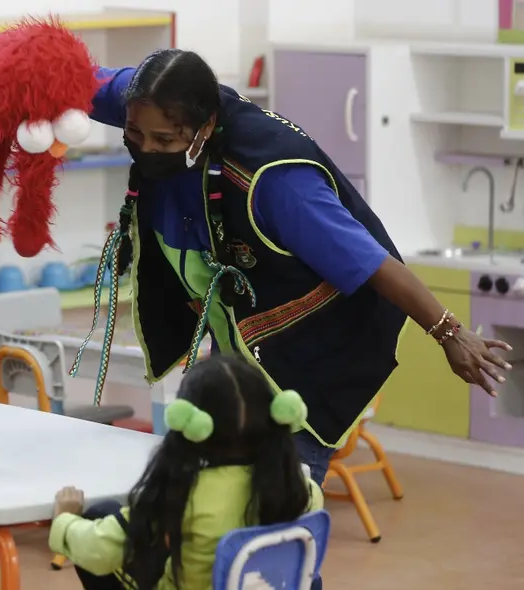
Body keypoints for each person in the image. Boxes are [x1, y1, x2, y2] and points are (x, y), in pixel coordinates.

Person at [81, 48, 512, 485]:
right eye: (135, 134)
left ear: (204, 128)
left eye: (164, 141)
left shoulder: (279, 185)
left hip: (316, 359)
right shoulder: (149, 98)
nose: (146, 148)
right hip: (240, 357)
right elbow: (69, 79)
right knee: (203, 501)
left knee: (276, 507)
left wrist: (450, 333)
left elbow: (373, 264)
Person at [49, 355, 324, 590]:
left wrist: (64, 520)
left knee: (99, 515)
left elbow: (98, 552)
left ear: (192, 426)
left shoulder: (185, 495)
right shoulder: (302, 488)